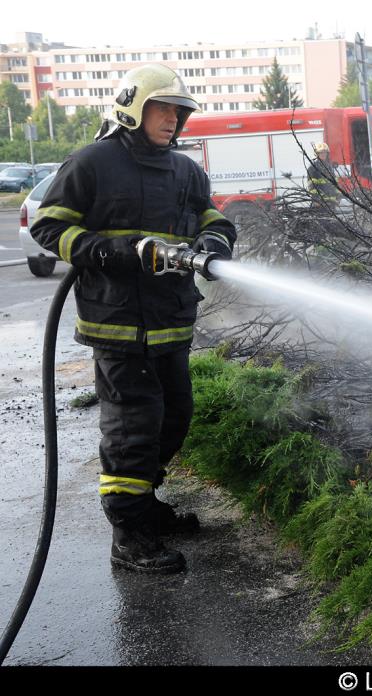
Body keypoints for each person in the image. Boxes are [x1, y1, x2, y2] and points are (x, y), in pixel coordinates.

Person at [30, 64, 236, 574]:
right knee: (132, 430)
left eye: (179, 111)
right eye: (163, 108)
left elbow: (213, 217)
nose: (173, 119)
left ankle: (145, 507)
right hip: (119, 326)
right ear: (133, 107)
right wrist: (114, 252)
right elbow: (49, 227)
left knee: (174, 418)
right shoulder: (93, 163)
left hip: (171, 322)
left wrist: (214, 242)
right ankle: (128, 535)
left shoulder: (185, 171)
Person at [306, 141, 341, 205]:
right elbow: (312, 188)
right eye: (321, 153)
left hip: (332, 202)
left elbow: (335, 184)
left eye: (325, 152)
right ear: (317, 154)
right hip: (320, 203)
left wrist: (338, 197)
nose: (323, 154)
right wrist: (317, 200)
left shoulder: (329, 167)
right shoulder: (313, 168)